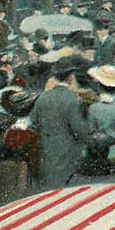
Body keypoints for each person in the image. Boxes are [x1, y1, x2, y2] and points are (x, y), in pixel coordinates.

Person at [29, 56, 90, 189]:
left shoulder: (43, 96)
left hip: (46, 148)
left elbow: (33, 122)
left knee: (48, 187)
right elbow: (78, 128)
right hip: (67, 148)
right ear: (70, 76)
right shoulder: (71, 98)